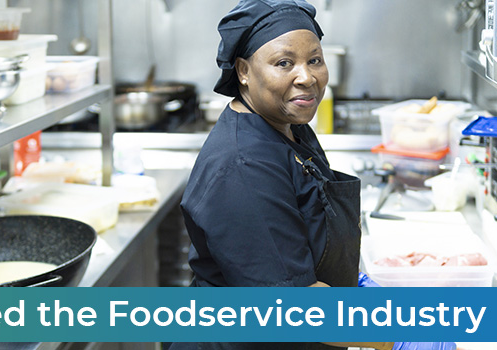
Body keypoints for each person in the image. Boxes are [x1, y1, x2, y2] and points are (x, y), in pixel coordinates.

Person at [169, 1, 453, 349]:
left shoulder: (286, 124)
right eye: (284, 63)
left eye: (314, 60)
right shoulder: (242, 167)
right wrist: (401, 336)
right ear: (243, 70)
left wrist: (348, 280)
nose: (306, 77)